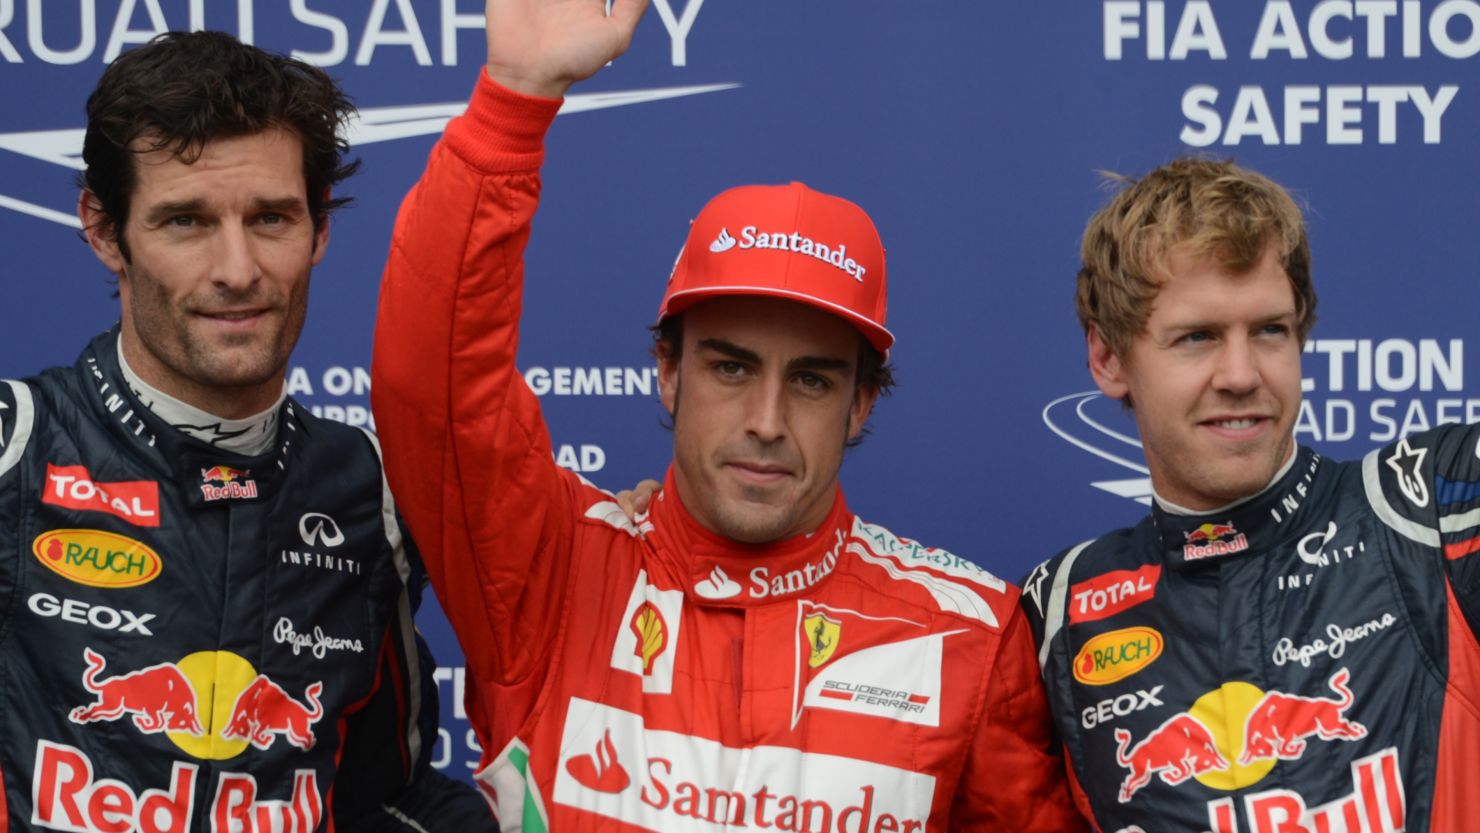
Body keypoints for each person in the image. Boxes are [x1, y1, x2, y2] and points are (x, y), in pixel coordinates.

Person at [369, 1, 1085, 830]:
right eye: (731, 367)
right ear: (668, 371)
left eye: (812, 381)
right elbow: (434, 386)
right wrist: (510, 105)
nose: (767, 419)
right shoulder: (552, 570)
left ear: (862, 403)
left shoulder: (968, 633)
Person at [0, 31, 494, 831]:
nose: (237, 269)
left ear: (320, 226)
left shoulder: (368, 490)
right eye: (186, 221)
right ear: (103, 229)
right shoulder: (15, 450)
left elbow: (386, 797)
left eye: (270, 218)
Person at [1021, 157, 1480, 833]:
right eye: (1197, 337)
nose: (1241, 374)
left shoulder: (1429, 504)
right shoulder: (1057, 610)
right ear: (1109, 359)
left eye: (1270, 329)